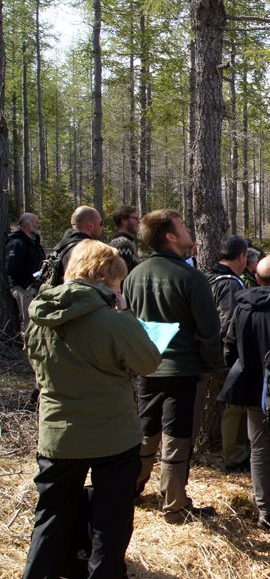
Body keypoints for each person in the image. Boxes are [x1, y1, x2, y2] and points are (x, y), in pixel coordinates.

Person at [22, 240, 161, 578]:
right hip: (112, 437)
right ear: (104, 277)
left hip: (58, 436)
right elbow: (149, 362)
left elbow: (38, 367)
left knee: (50, 519)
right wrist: (125, 313)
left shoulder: (39, 318)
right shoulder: (112, 320)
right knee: (110, 525)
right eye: (117, 281)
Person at [124, 209, 223, 524]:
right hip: (183, 371)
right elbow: (209, 331)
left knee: (145, 430)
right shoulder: (191, 277)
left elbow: (126, 322)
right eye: (182, 226)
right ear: (169, 236)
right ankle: (175, 506)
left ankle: (132, 488)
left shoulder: (134, 275)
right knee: (177, 438)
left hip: (145, 369)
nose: (188, 230)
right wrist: (213, 367)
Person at [219, 255, 270, 534]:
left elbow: (229, 345)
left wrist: (240, 368)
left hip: (251, 385)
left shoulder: (241, 305)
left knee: (259, 448)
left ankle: (265, 511)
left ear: (257, 277)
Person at [206, 235, 251, 472]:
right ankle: (234, 455)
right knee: (235, 406)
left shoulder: (210, 277)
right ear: (241, 256)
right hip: (226, 355)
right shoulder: (229, 283)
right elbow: (230, 324)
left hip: (213, 352)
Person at [5, 212, 44, 334]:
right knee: (29, 323)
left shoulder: (35, 243)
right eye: (36, 223)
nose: (39, 225)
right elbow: (12, 268)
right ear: (27, 226)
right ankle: (29, 350)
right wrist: (27, 284)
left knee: (38, 322)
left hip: (36, 287)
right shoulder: (17, 243)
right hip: (23, 289)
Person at [45, 206, 105, 284]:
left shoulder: (60, 249)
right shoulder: (89, 251)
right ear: (90, 225)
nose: (102, 227)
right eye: (101, 223)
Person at [108, 205, 141, 273]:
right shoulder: (122, 244)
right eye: (135, 218)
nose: (139, 222)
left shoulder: (127, 242)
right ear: (124, 221)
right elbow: (122, 276)